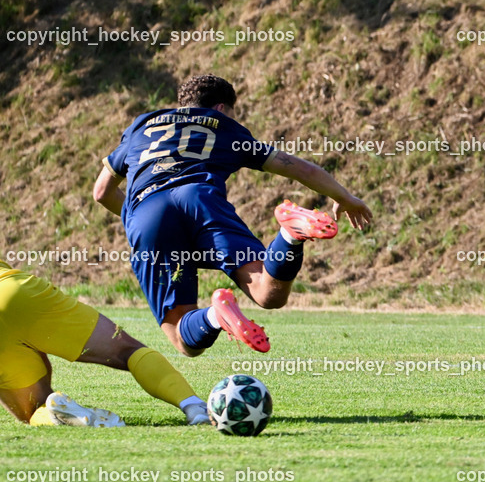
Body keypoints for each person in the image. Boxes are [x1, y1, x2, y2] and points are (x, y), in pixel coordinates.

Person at [93, 74, 372, 357]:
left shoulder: (143, 125)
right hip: (200, 199)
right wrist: (345, 198)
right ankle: (289, 235)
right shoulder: (222, 126)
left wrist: (141, 222)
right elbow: (298, 167)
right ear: (221, 108)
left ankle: (216, 315)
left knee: (183, 339)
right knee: (267, 292)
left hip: (147, 209)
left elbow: (102, 191)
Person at [0, 256, 208, 426]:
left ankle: (57, 415)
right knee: (127, 350)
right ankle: (194, 406)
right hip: (9, 288)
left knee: (33, 409)